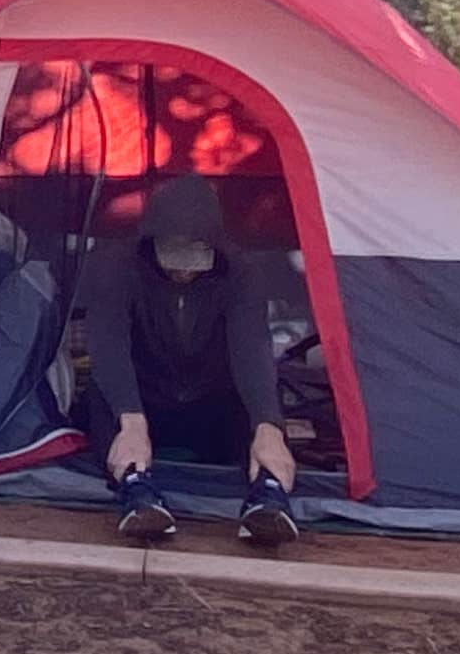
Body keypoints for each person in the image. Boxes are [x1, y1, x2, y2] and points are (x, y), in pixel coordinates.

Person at [77, 173, 300, 549]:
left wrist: (269, 426)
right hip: (145, 397)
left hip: (209, 399)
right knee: (103, 401)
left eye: (194, 256)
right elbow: (108, 343)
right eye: (172, 255)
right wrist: (131, 420)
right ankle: (136, 487)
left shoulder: (239, 272)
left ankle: (268, 495)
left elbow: (251, 348)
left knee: (260, 414)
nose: (182, 269)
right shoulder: (117, 267)